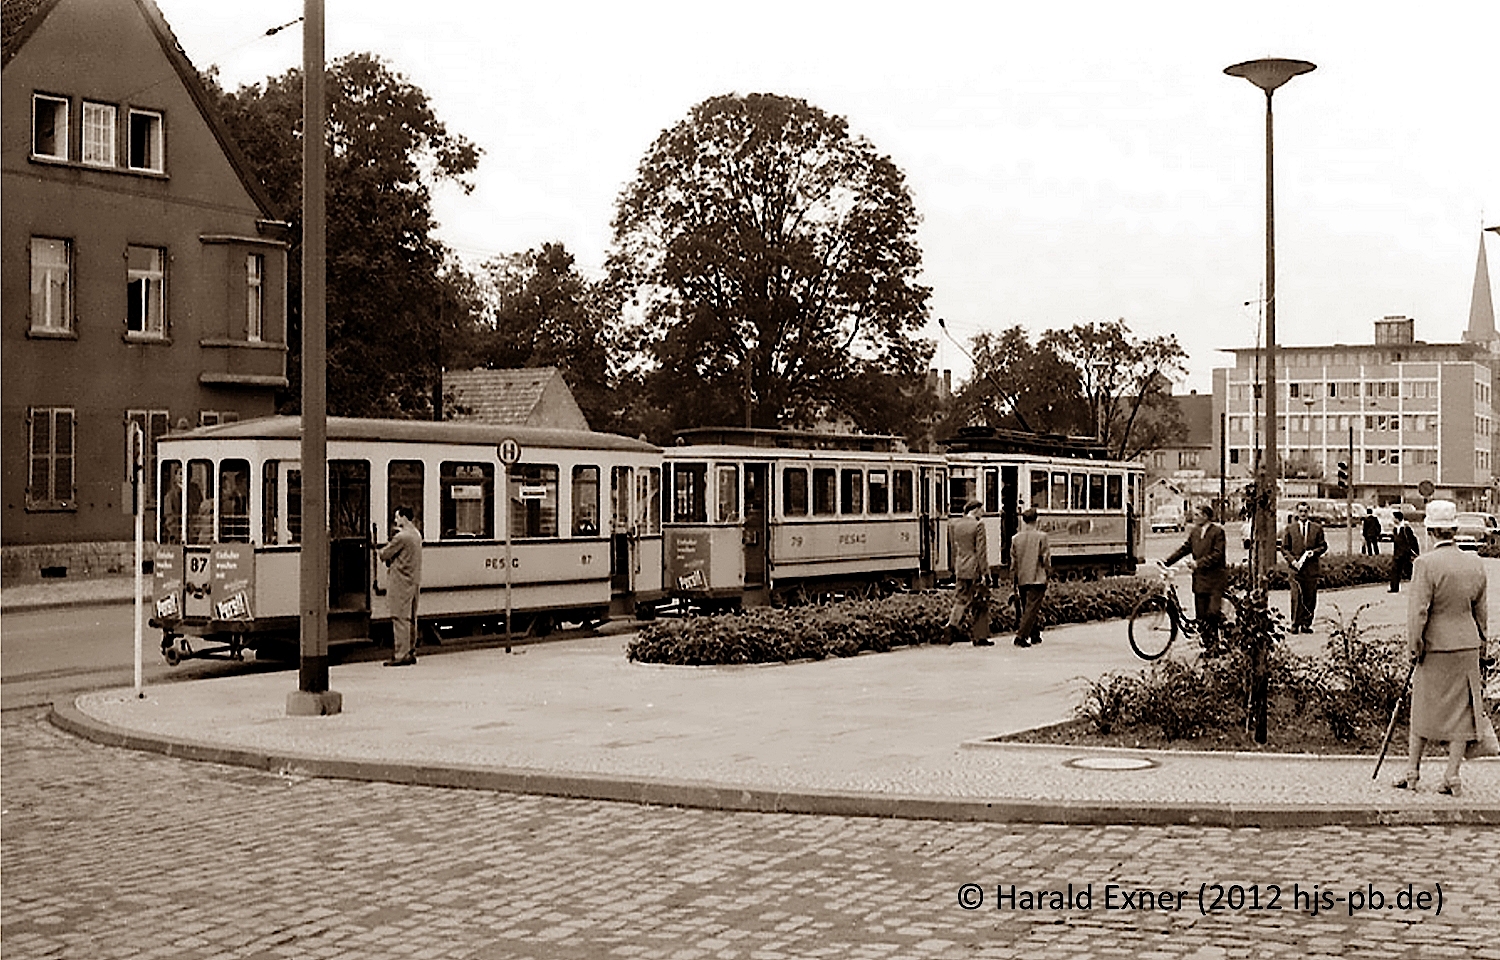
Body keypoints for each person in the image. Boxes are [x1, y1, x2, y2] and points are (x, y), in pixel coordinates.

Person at [1392, 500, 1491, 796]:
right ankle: (1452, 775)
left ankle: (1412, 772)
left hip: (1434, 646)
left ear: (1430, 530)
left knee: (1421, 708)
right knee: (1462, 712)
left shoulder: (1425, 564)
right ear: (1455, 528)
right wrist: (1483, 646)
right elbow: (1481, 612)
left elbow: (1418, 612)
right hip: (1466, 645)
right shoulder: (1474, 563)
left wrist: (1414, 645)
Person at [1162, 503, 1228, 642]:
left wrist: (1198, 563)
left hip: (1215, 579)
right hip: (1200, 580)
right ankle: (1208, 646)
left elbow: (1217, 554)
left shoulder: (1217, 532)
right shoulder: (1195, 532)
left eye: (1197, 515)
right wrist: (1166, 561)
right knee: (1201, 615)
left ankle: (1218, 639)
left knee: (1212, 613)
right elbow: (1184, 549)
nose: (1194, 517)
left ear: (1206, 516)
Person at [944, 499, 993, 646]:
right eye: (981, 509)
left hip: (961, 567)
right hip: (974, 568)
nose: (983, 513)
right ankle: (980, 637)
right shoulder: (978, 525)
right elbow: (981, 552)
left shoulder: (956, 525)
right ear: (976, 509)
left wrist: (954, 567)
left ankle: (951, 626)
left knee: (961, 599)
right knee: (980, 603)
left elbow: (953, 548)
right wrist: (985, 573)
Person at [379, 505, 423, 666]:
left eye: (397, 517)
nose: (395, 520)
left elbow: (384, 554)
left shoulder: (402, 537)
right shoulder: (416, 535)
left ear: (404, 517)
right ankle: (411, 651)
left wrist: (380, 550)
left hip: (400, 582)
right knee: (411, 618)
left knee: (399, 618)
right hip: (413, 581)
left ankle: (401, 654)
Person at [1279, 501, 1328, 634]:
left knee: (1310, 597)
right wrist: (1292, 561)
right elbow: (1284, 548)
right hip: (1295, 570)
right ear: (1296, 512)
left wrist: (1314, 552)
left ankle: (1306, 623)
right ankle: (1295, 623)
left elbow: (1323, 546)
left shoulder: (1317, 528)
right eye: (1300, 511)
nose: (1303, 514)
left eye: (1305, 511)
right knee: (1296, 596)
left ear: (1309, 512)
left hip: (1311, 569)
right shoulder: (1290, 529)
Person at [1011, 507, 1051, 648]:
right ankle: (1021, 637)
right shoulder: (1042, 537)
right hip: (1037, 577)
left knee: (1027, 607)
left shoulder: (1015, 538)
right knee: (1032, 608)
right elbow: (1045, 558)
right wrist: (1048, 572)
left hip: (1022, 577)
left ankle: (1034, 634)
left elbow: (1013, 561)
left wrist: (1014, 578)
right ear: (1037, 520)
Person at [1389, 510, 1420, 593]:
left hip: (1405, 554)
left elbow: (1412, 541)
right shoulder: (1395, 529)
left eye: (1393, 517)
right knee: (1395, 570)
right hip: (1397, 554)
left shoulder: (1406, 529)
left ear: (1397, 518)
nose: (1392, 519)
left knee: (1409, 571)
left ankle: (1418, 587)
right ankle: (1394, 588)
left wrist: (1414, 552)